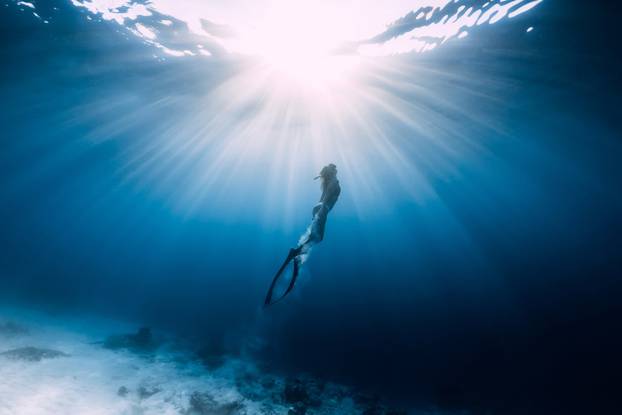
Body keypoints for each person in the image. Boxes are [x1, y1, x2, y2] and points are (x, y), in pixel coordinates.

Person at [264, 164, 341, 306]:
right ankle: (295, 253)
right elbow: (328, 197)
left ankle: (298, 255)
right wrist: (321, 213)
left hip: (319, 208)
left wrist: (318, 212)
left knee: (313, 238)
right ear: (332, 172)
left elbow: (325, 196)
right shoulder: (334, 182)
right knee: (318, 238)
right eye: (335, 170)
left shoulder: (328, 182)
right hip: (322, 209)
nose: (336, 171)